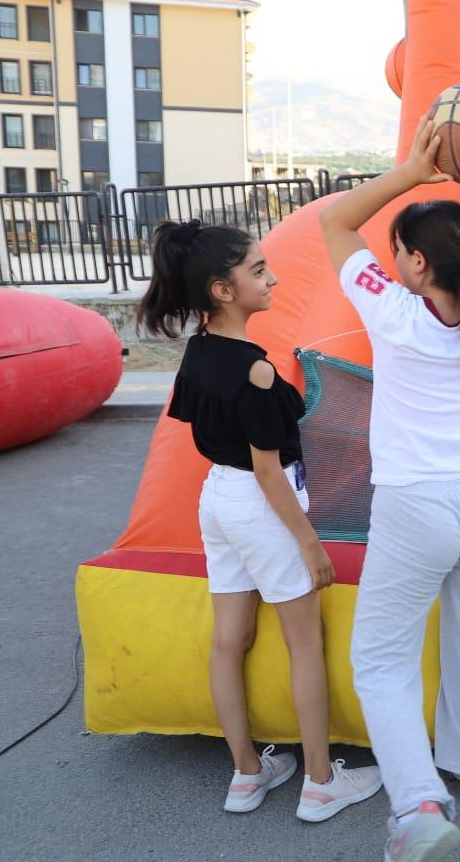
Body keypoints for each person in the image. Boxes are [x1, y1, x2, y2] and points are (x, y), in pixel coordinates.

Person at [319, 116, 460, 862]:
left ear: (414, 262)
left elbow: (335, 222)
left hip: (415, 506)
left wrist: (413, 171)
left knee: (382, 661)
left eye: (399, 253)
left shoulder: (393, 312)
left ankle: (417, 805)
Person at [138, 220, 383, 821]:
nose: (272, 279)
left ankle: (246, 773)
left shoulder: (199, 350)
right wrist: (310, 544)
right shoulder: (257, 370)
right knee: (305, 643)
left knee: (229, 640)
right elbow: (270, 472)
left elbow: (202, 430)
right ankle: (320, 782)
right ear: (223, 290)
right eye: (258, 270)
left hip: (218, 499)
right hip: (260, 504)